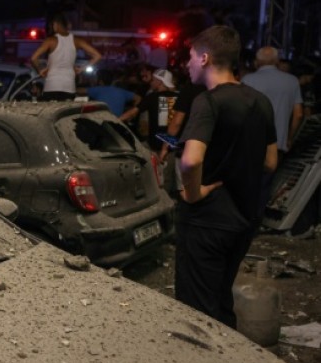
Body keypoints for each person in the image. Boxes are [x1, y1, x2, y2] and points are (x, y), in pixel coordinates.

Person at [175, 25, 277, 327]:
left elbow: (191, 161)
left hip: (206, 221)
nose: (188, 63)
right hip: (243, 220)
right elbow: (271, 162)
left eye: (191, 56)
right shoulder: (261, 101)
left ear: (205, 58)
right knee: (220, 301)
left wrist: (193, 194)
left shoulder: (207, 102)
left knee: (197, 313)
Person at [241, 47, 303, 156]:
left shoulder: (247, 80)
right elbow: (298, 114)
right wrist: (289, 138)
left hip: (252, 143)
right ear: (277, 61)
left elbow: (240, 112)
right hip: (279, 143)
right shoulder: (292, 81)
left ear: (257, 61)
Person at [29, 13, 102, 101]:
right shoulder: (77, 40)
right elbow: (98, 56)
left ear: (55, 24)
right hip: (69, 86)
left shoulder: (50, 40)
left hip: (52, 85)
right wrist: (81, 69)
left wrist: (40, 70)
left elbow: (33, 58)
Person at [119, 69, 179, 153]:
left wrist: (116, 120)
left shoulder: (152, 97)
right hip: (173, 144)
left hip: (156, 145)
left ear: (159, 82)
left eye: (153, 80)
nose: (151, 82)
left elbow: (132, 112)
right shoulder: (179, 97)